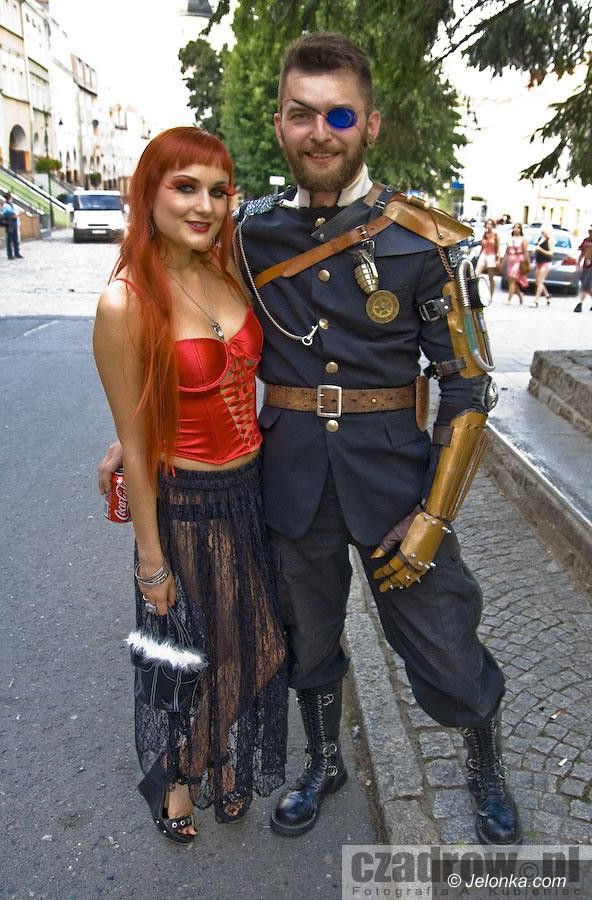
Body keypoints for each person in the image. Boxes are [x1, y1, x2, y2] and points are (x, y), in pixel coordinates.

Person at [100, 33, 521, 846]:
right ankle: (324, 762)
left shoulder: (428, 240)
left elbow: (470, 390)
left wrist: (434, 517)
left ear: (370, 124)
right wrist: (140, 427)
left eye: (339, 115)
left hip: (399, 486)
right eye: (302, 114)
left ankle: (485, 765)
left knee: (444, 639)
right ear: (280, 124)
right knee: (305, 638)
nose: (320, 132)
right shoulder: (247, 234)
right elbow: (182, 313)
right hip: (289, 477)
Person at [93, 126, 287, 844]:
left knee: (253, 646)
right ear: (149, 193)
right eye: (185, 187)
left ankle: (201, 755)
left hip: (252, 489)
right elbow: (140, 450)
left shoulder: (227, 267)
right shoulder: (125, 302)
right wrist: (151, 561)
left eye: (217, 190)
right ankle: (181, 770)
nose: (205, 205)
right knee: (197, 650)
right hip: (188, 505)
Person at [503, 223, 528, 304]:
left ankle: (509, 299)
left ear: (521, 230)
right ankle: (520, 295)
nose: (516, 229)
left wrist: (527, 262)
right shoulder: (510, 239)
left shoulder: (523, 239)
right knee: (511, 280)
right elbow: (507, 251)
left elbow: (525, 252)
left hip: (518, 260)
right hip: (510, 260)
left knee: (512, 279)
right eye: (515, 227)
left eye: (518, 228)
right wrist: (503, 261)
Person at [475, 218, 499, 300]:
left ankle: (491, 296)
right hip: (484, 254)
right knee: (476, 273)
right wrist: (479, 256)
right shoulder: (484, 234)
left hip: (491, 255)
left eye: (490, 224)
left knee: (491, 277)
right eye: (487, 224)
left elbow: (497, 248)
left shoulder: (495, 235)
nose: (489, 226)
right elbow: (482, 246)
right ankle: (477, 293)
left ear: (493, 226)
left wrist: (498, 259)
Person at [531, 226, 553, 307]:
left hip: (546, 262)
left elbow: (551, 253)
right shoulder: (540, 238)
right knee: (537, 281)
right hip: (538, 262)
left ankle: (536, 301)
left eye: (545, 231)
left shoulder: (550, 240)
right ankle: (547, 295)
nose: (544, 233)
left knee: (540, 281)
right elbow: (537, 248)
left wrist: (540, 249)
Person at [574, 225, 592, 312]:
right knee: (586, 285)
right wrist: (578, 263)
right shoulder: (586, 240)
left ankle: (580, 304)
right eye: (590, 230)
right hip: (585, 265)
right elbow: (582, 252)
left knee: (585, 284)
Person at [1, 192, 23, 259]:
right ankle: (10, 255)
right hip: (10, 223)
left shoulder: (11, 205)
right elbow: (7, 214)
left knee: (15, 239)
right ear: (9, 198)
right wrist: (14, 215)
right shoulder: (5, 205)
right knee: (9, 240)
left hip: (14, 222)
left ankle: (17, 253)